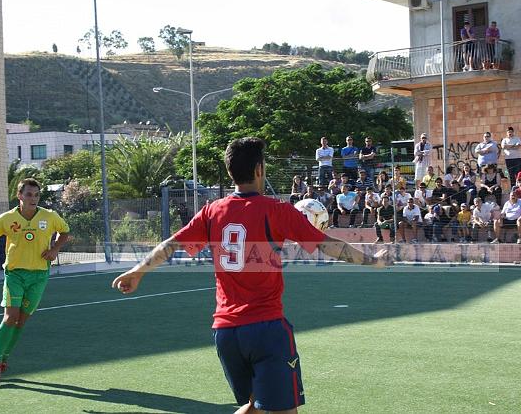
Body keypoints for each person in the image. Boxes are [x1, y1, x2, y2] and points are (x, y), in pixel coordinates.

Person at [111, 137, 390, 414]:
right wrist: (372, 261)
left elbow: (171, 244)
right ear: (259, 169)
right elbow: (329, 245)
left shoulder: (212, 211)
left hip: (226, 333)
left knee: (254, 407)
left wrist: (138, 271)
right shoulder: (276, 210)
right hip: (266, 329)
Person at [0, 178, 70, 384]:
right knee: (10, 317)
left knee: (21, 321)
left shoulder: (49, 216)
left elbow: (65, 231)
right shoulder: (5, 219)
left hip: (39, 276)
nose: (33, 199)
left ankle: (4, 359)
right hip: (15, 274)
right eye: (28, 194)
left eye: (36, 195)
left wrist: (55, 248)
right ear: (19, 196)